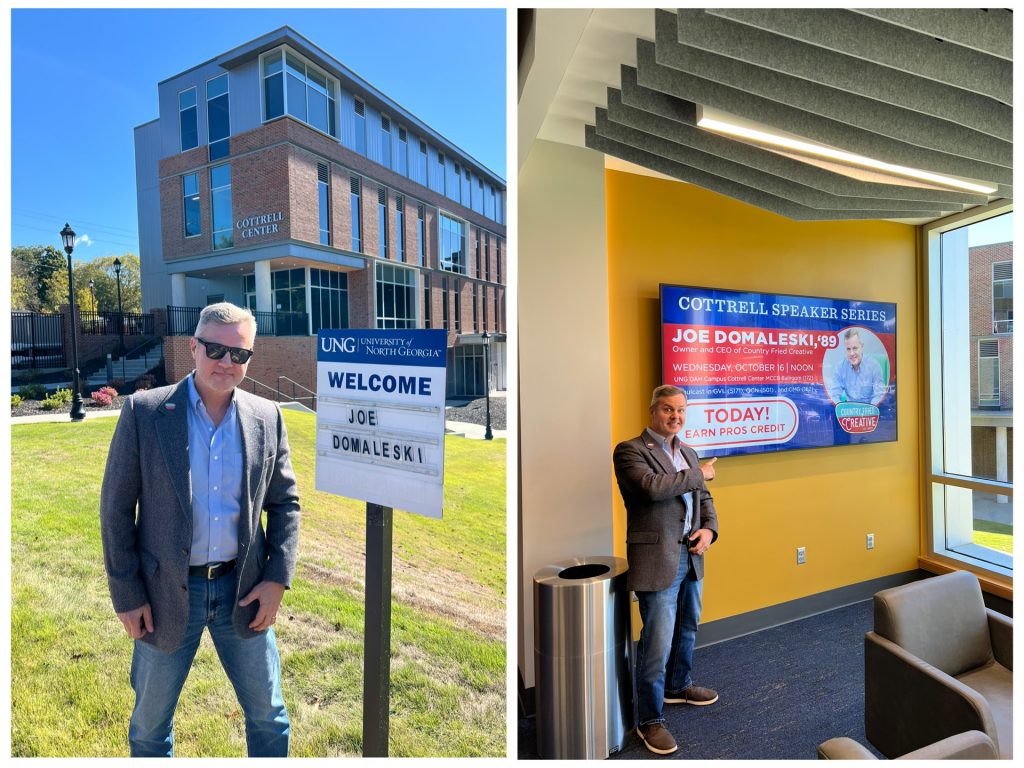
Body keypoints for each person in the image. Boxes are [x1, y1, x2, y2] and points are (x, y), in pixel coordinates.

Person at [100, 302, 301, 757]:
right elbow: (115, 510)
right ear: (193, 347)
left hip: (243, 591)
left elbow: (285, 502)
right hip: (164, 595)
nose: (226, 363)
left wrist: (276, 578)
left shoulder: (267, 418)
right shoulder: (145, 412)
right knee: (150, 727)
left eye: (239, 354)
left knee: (270, 718)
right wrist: (127, 595)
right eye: (214, 349)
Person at [612, 385, 720, 756]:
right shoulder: (630, 451)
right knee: (656, 641)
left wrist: (709, 530)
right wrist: (699, 475)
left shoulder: (687, 452)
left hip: (691, 556)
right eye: (667, 410)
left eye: (681, 411)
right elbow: (652, 488)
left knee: (687, 628)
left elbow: (704, 500)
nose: (675, 417)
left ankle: (679, 685)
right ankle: (649, 719)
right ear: (652, 411)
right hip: (657, 560)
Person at [831, 328, 886, 404]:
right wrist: (841, 408)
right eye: (848, 349)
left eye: (855, 348)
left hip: (870, 411)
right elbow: (834, 395)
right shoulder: (840, 368)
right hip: (849, 412)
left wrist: (868, 411)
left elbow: (879, 395)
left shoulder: (874, 366)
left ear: (862, 347)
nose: (852, 353)